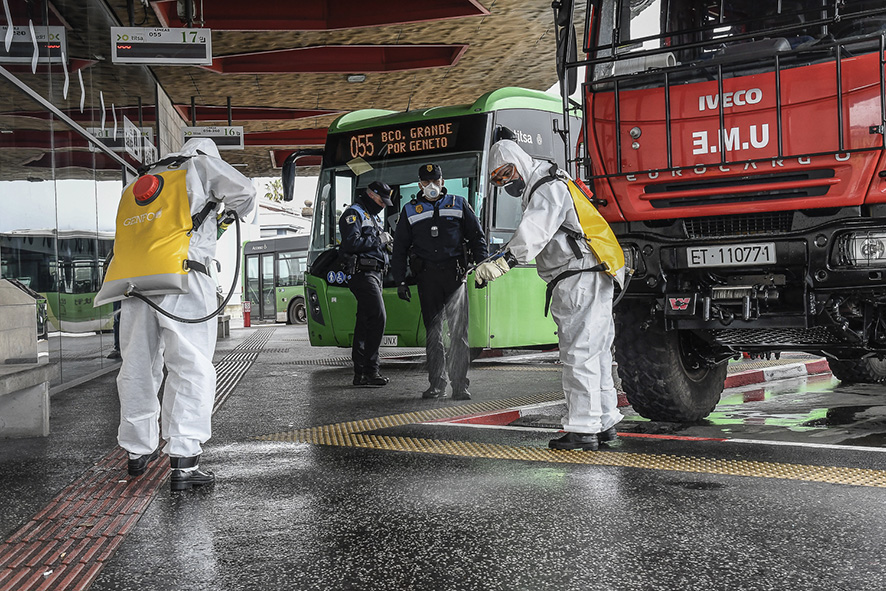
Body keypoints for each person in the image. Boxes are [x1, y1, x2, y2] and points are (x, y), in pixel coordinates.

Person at [110, 138, 256, 490]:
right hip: (185, 277)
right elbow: (247, 194)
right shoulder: (201, 166)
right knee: (189, 364)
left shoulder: (140, 180)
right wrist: (223, 207)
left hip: (134, 283)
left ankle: (136, 452)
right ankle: (184, 461)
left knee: (137, 366)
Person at [477, 139, 625, 451]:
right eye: (498, 179)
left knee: (579, 353)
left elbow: (534, 232)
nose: (506, 182)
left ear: (520, 162)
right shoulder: (548, 181)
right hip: (590, 273)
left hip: (578, 278)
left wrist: (503, 263)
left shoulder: (546, 185)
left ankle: (583, 428)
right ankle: (604, 423)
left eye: (507, 172)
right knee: (596, 353)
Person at [392, 163, 487, 400]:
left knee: (459, 334)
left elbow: (477, 238)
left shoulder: (458, 203)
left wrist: (483, 268)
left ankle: (460, 385)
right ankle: (436, 384)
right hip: (427, 278)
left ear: (442, 182)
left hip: (455, 276)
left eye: (435, 181)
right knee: (433, 333)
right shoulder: (410, 210)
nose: (431, 186)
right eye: (426, 182)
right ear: (420, 185)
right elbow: (399, 248)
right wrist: (400, 281)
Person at [339, 181, 394, 387]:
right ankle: (370, 370)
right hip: (363, 274)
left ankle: (362, 374)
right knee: (378, 317)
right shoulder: (353, 214)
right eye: (381, 200)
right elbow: (351, 243)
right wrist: (379, 240)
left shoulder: (372, 216)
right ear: (371, 195)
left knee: (364, 323)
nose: (383, 205)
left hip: (376, 275)